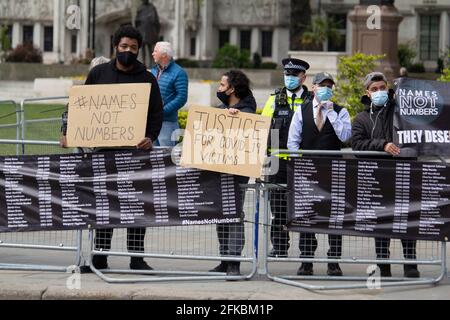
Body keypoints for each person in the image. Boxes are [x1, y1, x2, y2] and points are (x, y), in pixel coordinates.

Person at [62, 25, 164, 271]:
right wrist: (67, 131)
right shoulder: (98, 74)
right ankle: (99, 257)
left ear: (139, 51)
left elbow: (156, 113)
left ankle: (136, 258)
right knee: (103, 206)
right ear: (115, 47)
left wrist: (150, 137)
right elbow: (79, 105)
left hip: (135, 153)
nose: (128, 51)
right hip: (103, 152)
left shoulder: (147, 78)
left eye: (133, 48)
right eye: (124, 46)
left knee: (136, 204)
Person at [351, 71, 420, 278]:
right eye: (374, 89)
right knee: (381, 224)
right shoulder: (361, 119)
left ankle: (411, 263)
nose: (379, 92)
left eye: (382, 88)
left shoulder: (401, 112)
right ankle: (384, 264)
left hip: (403, 174)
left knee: (406, 220)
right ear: (367, 93)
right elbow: (357, 144)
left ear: (388, 89)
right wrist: (382, 145)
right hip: (377, 177)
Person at [287, 72, 352, 276]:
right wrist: (300, 165)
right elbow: (292, 141)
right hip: (307, 174)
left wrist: (330, 113)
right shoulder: (301, 110)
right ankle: (306, 261)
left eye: (329, 86)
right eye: (322, 85)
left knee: (334, 219)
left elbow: (345, 136)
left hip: (333, 173)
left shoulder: (341, 111)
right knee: (307, 217)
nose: (326, 89)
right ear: (313, 87)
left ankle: (334, 261)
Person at [261, 58, 312, 259]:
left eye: (294, 75)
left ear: (303, 77)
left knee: (305, 208)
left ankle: (307, 251)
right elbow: (263, 127)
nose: (289, 78)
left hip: (303, 162)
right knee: (279, 208)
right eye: (287, 74)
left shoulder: (311, 100)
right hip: (277, 162)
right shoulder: (274, 99)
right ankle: (280, 247)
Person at [208, 70, 257, 277]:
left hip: (237, 172)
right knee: (221, 214)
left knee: (234, 214)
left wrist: (238, 118)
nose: (219, 89)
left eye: (221, 85)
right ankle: (224, 259)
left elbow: (251, 127)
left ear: (232, 89)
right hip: (219, 170)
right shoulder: (222, 109)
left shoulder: (247, 112)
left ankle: (234, 262)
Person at [151, 42, 188, 147]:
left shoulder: (179, 72)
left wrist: (162, 112)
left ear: (164, 54)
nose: (152, 53)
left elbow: (182, 98)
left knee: (167, 157)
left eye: (155, 51)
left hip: (167, 123)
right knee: (152, 157)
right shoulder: (153, 70)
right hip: (152, 122)